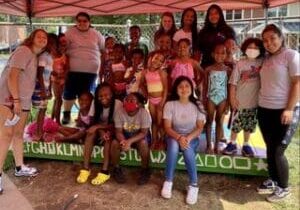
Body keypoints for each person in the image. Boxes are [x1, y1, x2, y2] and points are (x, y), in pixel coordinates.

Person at [0, 29, 48, 194]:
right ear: (32, 38)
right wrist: (15, 100)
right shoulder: (23, 51)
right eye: (39, 36)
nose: (43, 39)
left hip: (23, 101)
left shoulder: (34, 56)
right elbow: (12, 77)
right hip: (8, 99)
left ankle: (20, 167)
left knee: (18, 134)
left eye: (45, 37)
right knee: (6, 135)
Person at [256, 24, 300, 202]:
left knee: (278, 150)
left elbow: (297, 83)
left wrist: (289, 109)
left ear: (281, 37)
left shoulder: (291, 55)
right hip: (265, 109)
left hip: (285, 110)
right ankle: (273, 180)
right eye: (265, 40)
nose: (269, 43)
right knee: (270, 147)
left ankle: (284, 187)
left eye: (272, 38)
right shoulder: (265, 59)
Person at [161, 76, 205, 205]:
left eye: (187, 86)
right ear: (176, 89)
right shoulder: (170, 104)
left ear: (192, 88)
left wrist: (187, 138)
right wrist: (180, 137)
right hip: (173, 135)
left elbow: (199, 127)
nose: (184, 89)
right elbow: (167, 127)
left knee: (187, 148)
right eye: (180, 86)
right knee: (174, 146)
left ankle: (194, 185)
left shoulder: (198, 104)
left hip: (192, 136)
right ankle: (168, 181)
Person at [223, 38, 265, 156]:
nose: (253, 50)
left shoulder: (262, 62)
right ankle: (232, 143)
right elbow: (233, 83)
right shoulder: (240, 64)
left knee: (249, 125)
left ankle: (246, 144)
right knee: (236, 125)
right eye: (250, 47)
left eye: (256, 48)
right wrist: (232, 99)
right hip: (239, 102)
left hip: (253, 103)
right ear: (245, 48)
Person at [62, 12, 105, 124]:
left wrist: (102, 68)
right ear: (76, 22)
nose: (82, 23)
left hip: (91, 71)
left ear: (89, 22)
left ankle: (83, 117)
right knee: (69, 92)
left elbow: (103, 50)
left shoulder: (96, 34)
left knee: (85, 94)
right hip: (72, 70)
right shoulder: (69, 33)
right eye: (79, 21)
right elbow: (62, 48)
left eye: (84, 21)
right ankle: (66, 114)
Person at [76, 83, 122, 185]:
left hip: (112, 130)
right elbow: (93, 122)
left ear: (112, 94)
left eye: (107, 95)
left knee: (108, 139)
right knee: (90, 134)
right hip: (99, 130)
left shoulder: (118, 104)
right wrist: (100, 131)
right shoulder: (95, 103)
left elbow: (116, 125)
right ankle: (85, 168)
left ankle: (104, 171)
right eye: (100, 96)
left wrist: (100, 128)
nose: (103, 98)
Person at [110, 93, 152, 185]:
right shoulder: (120, 112)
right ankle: (116, 169)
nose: (128, 102)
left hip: (139, 136)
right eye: (127, 100)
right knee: (114, 143)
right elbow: (118, 132)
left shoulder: (144, 113)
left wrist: (129, 142)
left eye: (132, 100)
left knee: (143, 143)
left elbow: (143, 133)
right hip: (125, 135)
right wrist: (123, 141)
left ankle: (145, 170)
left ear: (139, 104)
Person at [204, 42, 231, 154]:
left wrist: (229, 102)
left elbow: (229, 87)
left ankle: (216, 146)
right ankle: (208, 145)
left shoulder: (228, 70)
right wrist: (204, 99)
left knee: (219, 121)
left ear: (226, 55)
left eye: (222, 53)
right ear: (212, 54)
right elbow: (205, 86)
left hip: (222, 98)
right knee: (209, 121)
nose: (219, 55)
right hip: (211, 97)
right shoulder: (208, 69)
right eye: (217, 53)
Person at [31, 33, 55, 140]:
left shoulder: (50, 57)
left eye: (55, 44)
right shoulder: (43, 56)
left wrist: (49, 89)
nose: (53, 46)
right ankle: (38, 133)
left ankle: (40, 131)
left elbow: (49, 76)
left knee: (43, 109)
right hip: (39, 88)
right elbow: (39, 73)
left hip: (45, 87)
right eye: (51, 43)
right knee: (41, 110)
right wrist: (43, 90)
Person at [143, 51, 168, 150]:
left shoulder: (162, 72)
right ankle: (154, 141)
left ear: (162, 64)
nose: (158, 61)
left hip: (161, 99)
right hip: (151, 100)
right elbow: (142, 84)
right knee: (154, 121)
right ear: (151, 58)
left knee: (160, 122)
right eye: (156, 58)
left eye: (161, 61)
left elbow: (166, 88)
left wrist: (163, 101)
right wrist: (147, 95)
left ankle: (162, 141)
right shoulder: (145, 72)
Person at [197, 4, 236, 69]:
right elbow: (198, 51)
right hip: (206, 65)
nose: (213, 16)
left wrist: (229, 58)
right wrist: (197, 67)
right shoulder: (202, 32)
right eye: (211, 14)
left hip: (224, 66)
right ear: (208, 16)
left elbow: (233, 48)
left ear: (220, 15)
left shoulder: (228, 30)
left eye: (216, 13)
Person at [50, 33, 69, 124]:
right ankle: (57, 121)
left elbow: (67, 68)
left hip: (62, 80)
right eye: (60, 45)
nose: (62, 47)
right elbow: (50, 69)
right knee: (59, 100)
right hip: (55, 80)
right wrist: (55, 76)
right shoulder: (51, 56)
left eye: (64, 46)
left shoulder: (65, 56)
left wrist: (64, 77)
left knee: (57, 99)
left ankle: (52, 119)